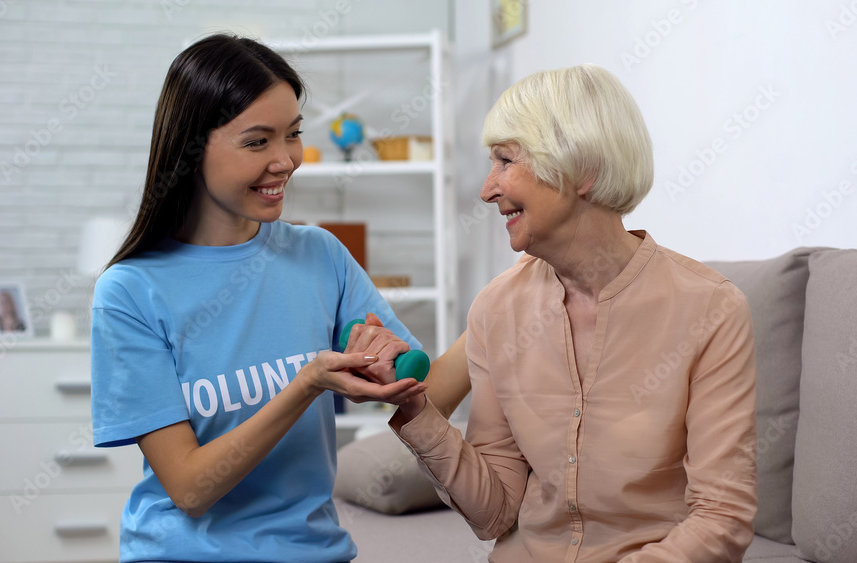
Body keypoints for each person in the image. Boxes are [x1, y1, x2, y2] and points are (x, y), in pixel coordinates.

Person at [386, 64, 759, 562]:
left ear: (581, 170)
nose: (487, 190)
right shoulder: (497, 309)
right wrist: (415, 411)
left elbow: (722, 514)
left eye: (505, 161)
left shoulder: (710, 308)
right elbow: (495, 514)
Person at [89, 34, 426, 563]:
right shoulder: (130, 292)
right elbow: (191, 489)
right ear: (191, 146)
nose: (286, 160)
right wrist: (307, 384)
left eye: (292, 135)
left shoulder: (320, 255)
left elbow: (412, 371)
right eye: (256, 141)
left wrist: (393, 360)